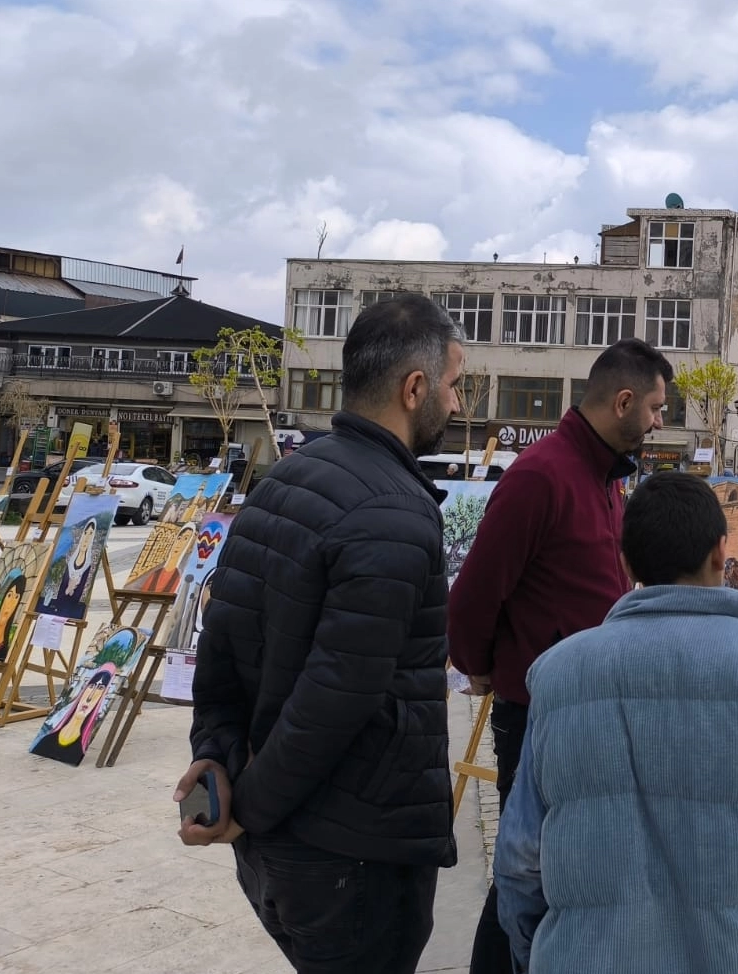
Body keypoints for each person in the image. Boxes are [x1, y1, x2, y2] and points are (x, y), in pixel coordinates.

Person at [173, 293, 465, 974]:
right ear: (413, 387)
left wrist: (215, 756)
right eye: (453, 385)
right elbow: (339, 694)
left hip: (283, 851)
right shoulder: (394, 510)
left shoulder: (281, 481)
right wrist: (249, 807)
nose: (457, 404)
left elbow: (220, 645)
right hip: (350, 851)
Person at [493, 472, 738, 973]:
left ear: (626, 562)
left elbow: (519, 860)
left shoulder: (556, 671)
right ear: (721, 552)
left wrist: (538, 954)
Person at [448, 336, 673, 974]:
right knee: (526, 869)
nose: (660, 422)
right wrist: (485, 668)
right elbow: (472, 597)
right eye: (655, 409)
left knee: (564, 870)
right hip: (541, 713)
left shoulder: (606, 479)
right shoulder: (541, 475)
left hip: (596, 710)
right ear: (623, 401)